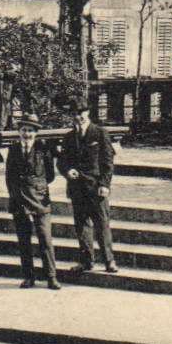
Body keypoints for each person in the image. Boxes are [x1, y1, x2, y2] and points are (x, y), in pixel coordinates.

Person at [58, 102, 117, 274]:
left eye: (81, 113)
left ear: (88, 112)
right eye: (74, 114)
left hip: (96, 188)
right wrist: (68, 171)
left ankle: (109, 261)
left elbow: (108, 163)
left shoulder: (100, 133)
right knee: (82, 226)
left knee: (102, 225)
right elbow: (62, 162)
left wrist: (105, 184)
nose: (77, 117)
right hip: (77, 188)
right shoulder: (69, 137)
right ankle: (86, 261)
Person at [3, 114, 60, 290]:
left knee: (45, 239)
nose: (26, 134)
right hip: (19, 200)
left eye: (30, 131)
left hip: (40, 200)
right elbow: (9, 176)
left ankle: (51, 277)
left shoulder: (43, 149)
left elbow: (50, 175)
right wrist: (15, 195)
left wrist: (37, 187)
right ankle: (28, 277)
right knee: (24, 241)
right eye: (23, 130)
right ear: (19, 132)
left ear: (36, 133)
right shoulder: (13, 150)